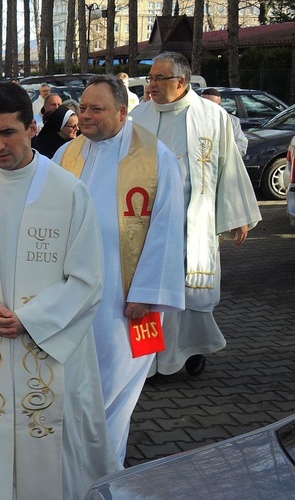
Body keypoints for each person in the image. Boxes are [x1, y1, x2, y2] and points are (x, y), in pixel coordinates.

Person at [0, 82, 118, 499]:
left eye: (8, 133)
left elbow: (88, 278)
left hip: (50, 346)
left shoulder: (68, 191)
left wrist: (31, 318)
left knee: (55, 451)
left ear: (32, 128)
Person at [52, 75, 186, 465]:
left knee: (116, 387)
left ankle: (104, 469)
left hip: (124, 299)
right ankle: (72, 466)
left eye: (96, 109)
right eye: (83, 107)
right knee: (75, 387)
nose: (85, 116)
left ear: (123, 113)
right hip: (72, 297)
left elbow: (166, 226)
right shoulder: (68, 154)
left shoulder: (154, 158)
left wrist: (148, 292)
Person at [130, 52, 261, 376]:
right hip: (147, 220)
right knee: (146, 290)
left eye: (160, 78)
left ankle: (190, 352)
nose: (152, 85)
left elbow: (229, 165)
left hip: (193, 222)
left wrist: (237, 215)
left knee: (189, 296)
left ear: (182, 82)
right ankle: (146, 361)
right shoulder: (140, 117)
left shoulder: (212, 116)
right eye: (151, 78)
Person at [201, 87, 248, 155]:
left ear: (220, 104)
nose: (209, 108)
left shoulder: (231, 121)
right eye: (206, 105)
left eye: (213, 105)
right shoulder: (191, 119)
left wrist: (224, 154)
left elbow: (241, 144)